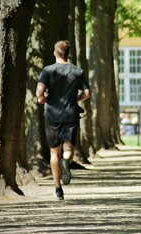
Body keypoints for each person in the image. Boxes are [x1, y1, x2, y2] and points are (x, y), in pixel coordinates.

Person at [36, 40, 91, 200]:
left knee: (54, 151)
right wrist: (76, 100)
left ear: (55, 53)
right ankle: (66, 161)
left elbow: (40, 92)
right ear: (68, 54)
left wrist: (43, 99)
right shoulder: (77, 71)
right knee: (68, 149)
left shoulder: (47, 70)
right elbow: (87, 93)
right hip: (70, 115)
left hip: (52, 115)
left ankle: (58, 188)